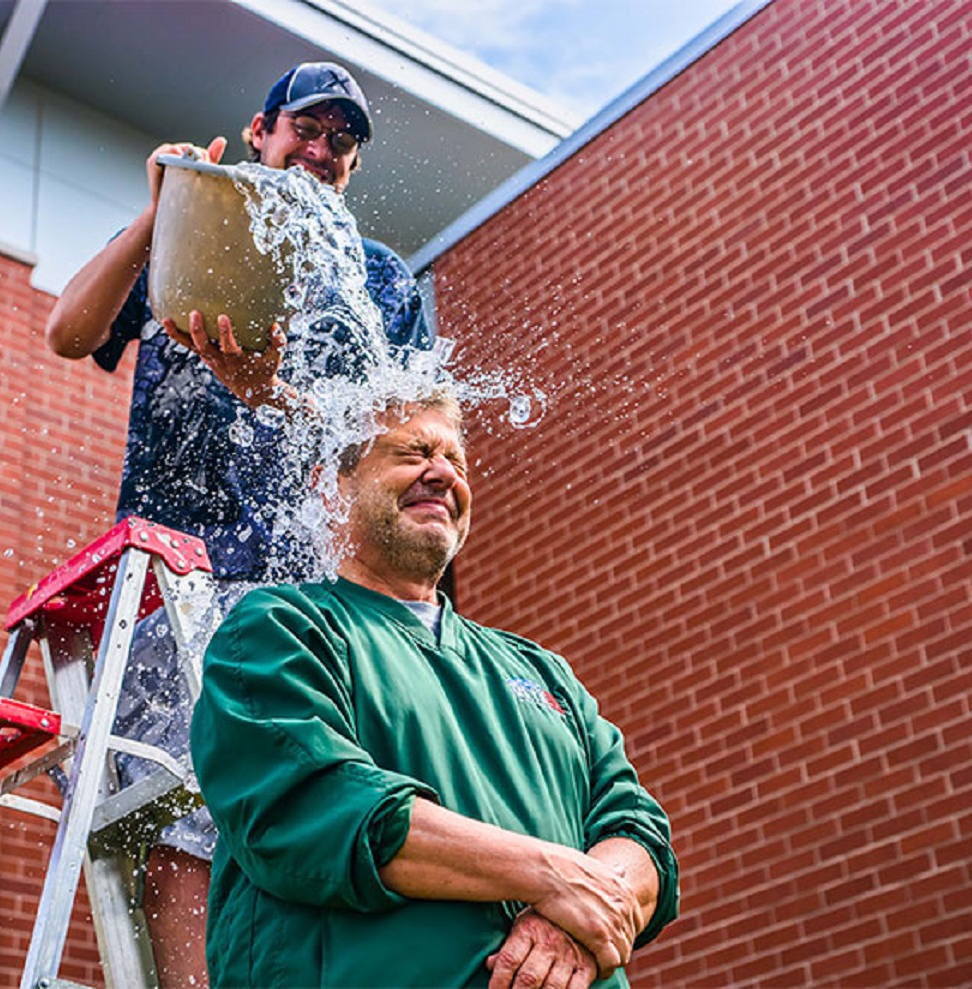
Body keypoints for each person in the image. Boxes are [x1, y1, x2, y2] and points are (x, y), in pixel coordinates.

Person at [44, 61, 433, 986]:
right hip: (176, 571)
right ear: (261, 130)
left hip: (308, 584)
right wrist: (155, 211)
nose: (323, 150)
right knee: (181, 801)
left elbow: (401, 433)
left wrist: (276, 396)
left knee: (312, 806)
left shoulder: (378, 277)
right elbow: (67, 329)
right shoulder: (203, 210)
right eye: (308, 128)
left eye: (344, 141)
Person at [190, 393, 679, 988]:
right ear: (330, 488)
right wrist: (551, 875)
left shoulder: (544, 671)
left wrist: (568, 922)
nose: (444, 473)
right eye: (412, 452)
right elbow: (316, 806)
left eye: (456, 461)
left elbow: (637, 834)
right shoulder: (281, 629)